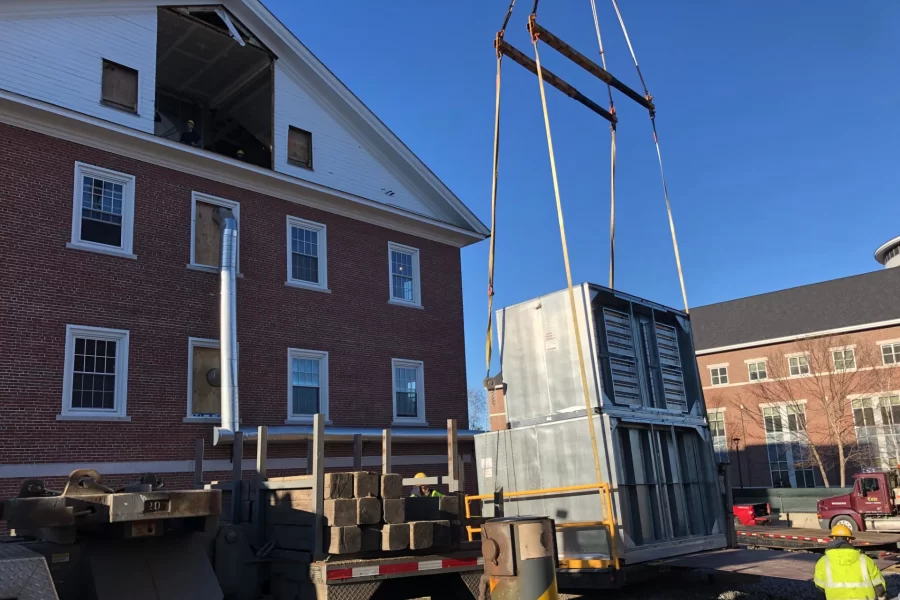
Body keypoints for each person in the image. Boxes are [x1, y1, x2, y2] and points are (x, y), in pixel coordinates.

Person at [814, 524, 887, 600]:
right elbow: (879, 587)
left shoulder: (823, 561)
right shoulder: (865, 560)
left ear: (833, 538)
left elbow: (820, 586)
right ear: (850, 540)